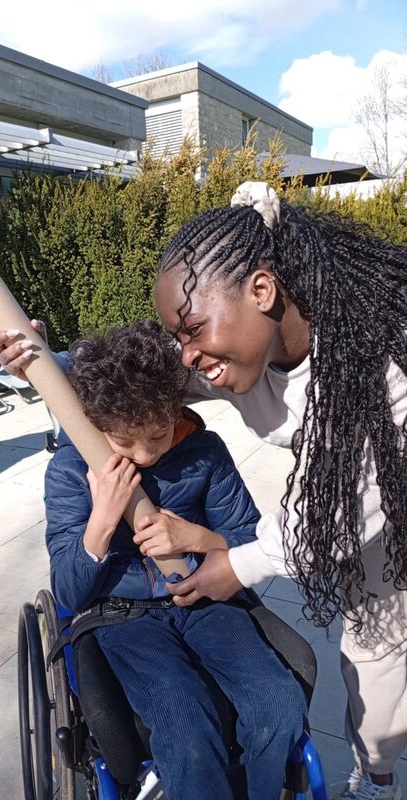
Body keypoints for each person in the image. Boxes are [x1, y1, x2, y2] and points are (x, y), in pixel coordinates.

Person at [0, 181, 407, 800]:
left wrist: (215, 548)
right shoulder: (97, 453)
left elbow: (315, 525)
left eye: (195, 329)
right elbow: (126, 381)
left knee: (352, 658)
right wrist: (39, 359)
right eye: (180, 338)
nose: (187, 357)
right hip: (127, 614)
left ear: (263, 290)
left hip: (382, 498)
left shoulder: (376, 374)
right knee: (183, 724)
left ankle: (369, 777)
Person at [43, 320, 306, 800]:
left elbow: (247, 537)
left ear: (177, 411)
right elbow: (68, 591)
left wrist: (198, 537)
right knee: (187, 729)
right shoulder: (70, 470)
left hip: (205, 597)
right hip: (124, 615)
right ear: (97, 425)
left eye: (159, 435)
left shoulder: (205, 453)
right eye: (124, 442)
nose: (144, 455)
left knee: (279, 702)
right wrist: (102, 519)